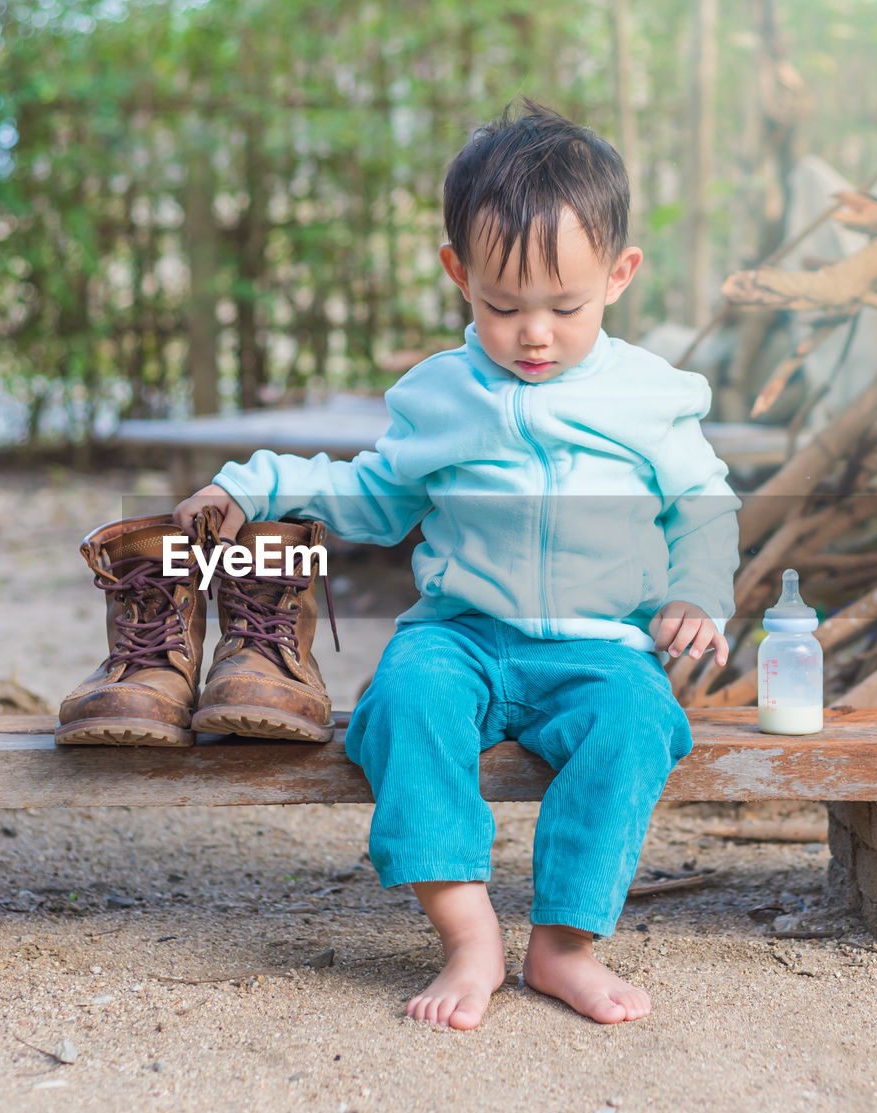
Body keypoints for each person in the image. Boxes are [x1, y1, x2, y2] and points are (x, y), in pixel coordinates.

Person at [173, 98, 740, 1030]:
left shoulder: (649, 397)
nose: (535, 335)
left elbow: (704, 506)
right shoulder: (441, 393)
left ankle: (564, 942)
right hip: (465, 633)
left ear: (620, 274)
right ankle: (468, 933)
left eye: (568, 306)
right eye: (501, 305)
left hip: (602, 647)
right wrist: (260, 484)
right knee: (404, 701)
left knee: (639, 722)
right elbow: (378, 495)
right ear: (458, 274)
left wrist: (695, 592)